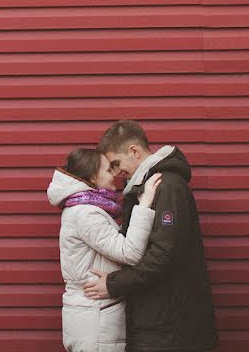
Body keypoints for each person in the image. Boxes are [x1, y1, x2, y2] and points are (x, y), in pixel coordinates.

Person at [83, 120, 218, 352]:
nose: (115, 174)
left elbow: (163, 256)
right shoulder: (143, 187)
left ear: (134, 151)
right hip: (158, 323)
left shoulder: (167, 186)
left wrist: (114, 284)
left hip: (172, 331)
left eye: (116, 164)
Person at [47, 146, 162, 352]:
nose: (114, 176)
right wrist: (144, 204)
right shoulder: (86, 214)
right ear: (93, 176)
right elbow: (130, 253)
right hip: (95, 320)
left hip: (93, 315)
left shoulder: (83, 209)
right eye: (108, 170)